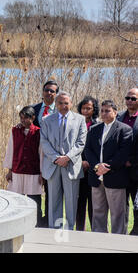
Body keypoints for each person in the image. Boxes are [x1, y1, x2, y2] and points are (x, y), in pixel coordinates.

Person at [40, 91, 87, 230]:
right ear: (56, 103)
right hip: (53, 165)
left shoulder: (79, 119)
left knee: (71, 200)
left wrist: (67, 157)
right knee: (54, 200)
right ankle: (55, 229)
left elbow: (81, 142)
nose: (63, 105)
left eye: (66, 103)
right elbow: (44, 142)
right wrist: (56, 158)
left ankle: (69, 229)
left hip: (71, 165)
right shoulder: (47, 120)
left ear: (71, 104)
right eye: (60, 103)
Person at [84, 100, 133, 234]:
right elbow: (88, 150)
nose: (104, 113)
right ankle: (99, 242)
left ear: (115, 112)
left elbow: (123, 153)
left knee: (117, 214)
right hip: (96, 176)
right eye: (102, 111)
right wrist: (96, 166)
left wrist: (108, 167)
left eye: (107, 111)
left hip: (115, 177)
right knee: (98, 212)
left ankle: (117, 243)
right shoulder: (94, 129)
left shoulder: (124, 129)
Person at [3, 106, 43, 226]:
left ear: (33, 118)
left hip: (33, 171)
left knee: (34, 201)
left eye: (26, 118)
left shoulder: (38, 132)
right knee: (16, 200)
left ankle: (36, 224)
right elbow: (11, 149)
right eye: (21, 118)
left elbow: (41, 152)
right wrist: (10, 169)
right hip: (17, 170)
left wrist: (42, 173)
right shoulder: (15, 130)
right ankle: (16, 224)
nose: (23, 120)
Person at [31, 80, 59, 227]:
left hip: (51, 156)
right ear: (42, 92)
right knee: (34, 189)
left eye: (52, 91)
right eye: (47, 90)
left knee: (50, 190)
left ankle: (49, 220)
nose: (49, 93)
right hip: (34, 156)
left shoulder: (60, 111)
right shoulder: (33, 109)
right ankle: (36, 219)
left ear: (56, 94)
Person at [75, 96, 100, 231]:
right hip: (78, 168)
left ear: (94, 109)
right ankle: (79, 231)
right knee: (80, 202)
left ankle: (95, 231)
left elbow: (100, 147)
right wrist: (80, 161)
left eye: (89, 108)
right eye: (83, 108)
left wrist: (90, 162)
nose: (85, 111)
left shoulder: (98, 125)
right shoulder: (75, 124)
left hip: (93, 169)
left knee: (94, 203)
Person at [117, 87, 138, 235]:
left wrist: (133, 160)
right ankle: (121, 233)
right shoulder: (118, 117)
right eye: (127, 98)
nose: (129, 101)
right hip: (120, 169)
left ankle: (136, 230)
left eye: (133, 98)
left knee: (137, 204)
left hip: (136, 168)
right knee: (122, 205)